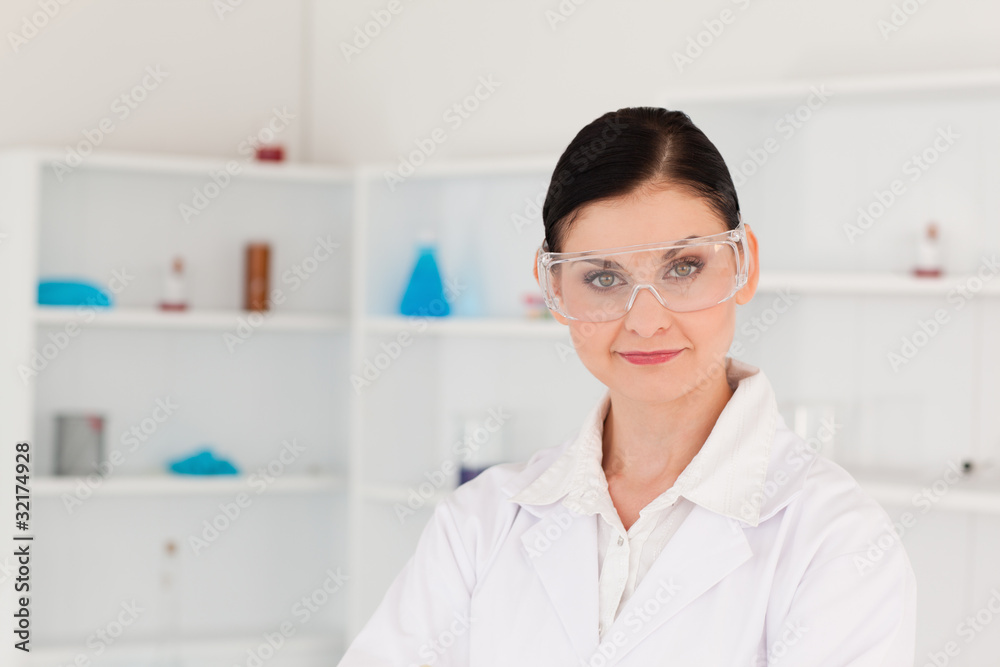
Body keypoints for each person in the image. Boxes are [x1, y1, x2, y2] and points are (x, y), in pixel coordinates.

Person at [337, 107, 917, 666]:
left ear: (745, 266)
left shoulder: (833, 538)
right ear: (555, 288)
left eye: (683, 267)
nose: (645, 320)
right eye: (604, 277)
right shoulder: (482, 522)